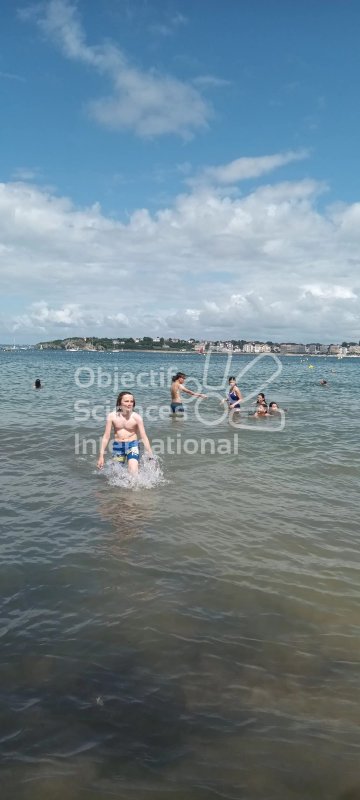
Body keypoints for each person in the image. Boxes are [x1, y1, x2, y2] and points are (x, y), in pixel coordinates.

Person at [97, 391, 153, 475]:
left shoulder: (137, 418)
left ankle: (135, 487)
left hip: (132, 445)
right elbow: (106, 436)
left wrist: (150, 454)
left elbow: (144, 436)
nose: (129, 404)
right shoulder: (112, 416)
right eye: (126, 401)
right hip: (118, 446)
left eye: (131, 401)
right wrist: (101, 456)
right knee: (115, 473)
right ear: (120, 402)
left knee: (133, 469)